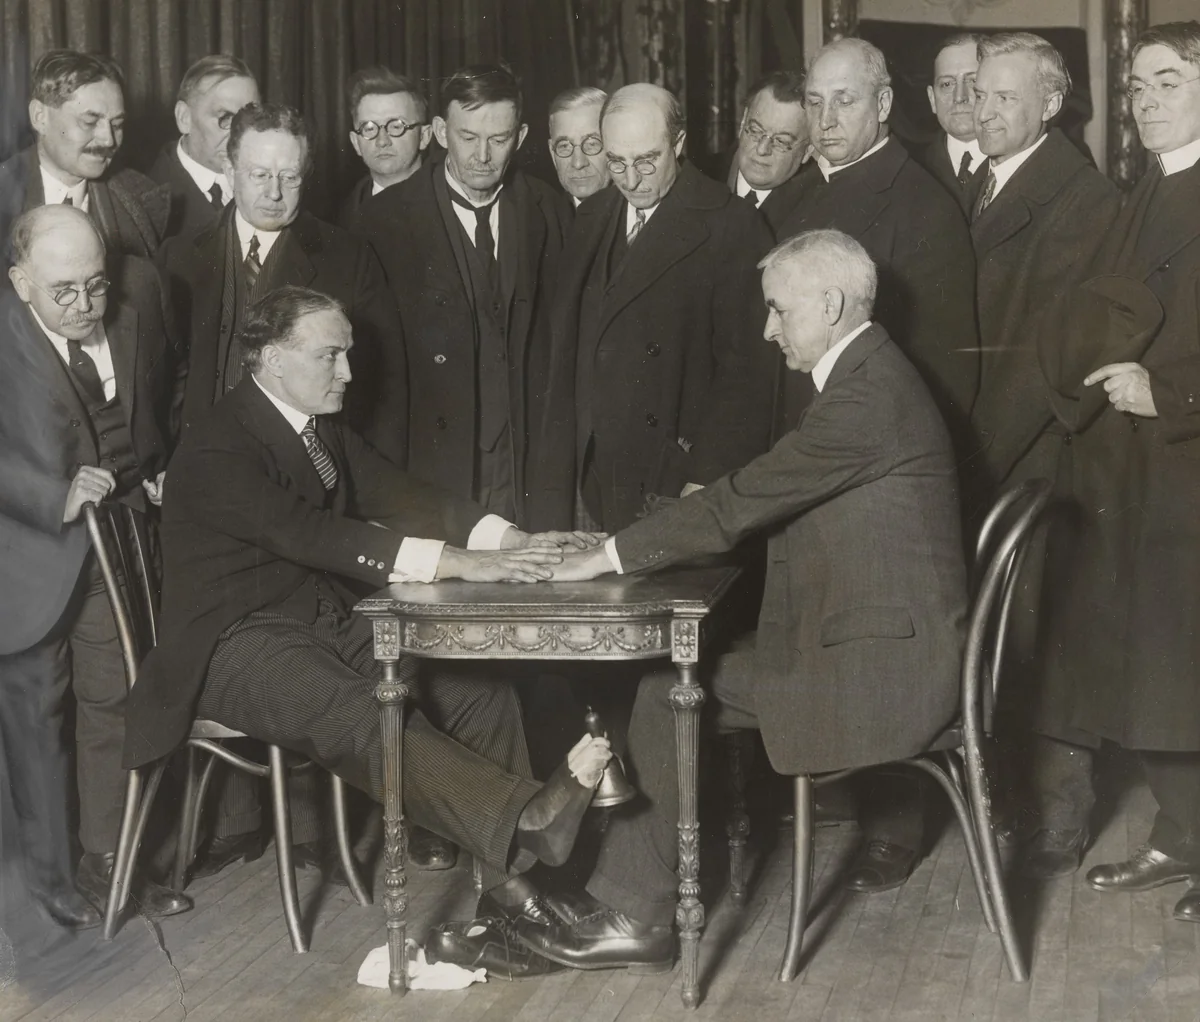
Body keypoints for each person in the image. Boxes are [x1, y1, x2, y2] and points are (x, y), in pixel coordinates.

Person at [121, 285, 613, 966]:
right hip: (228, 647)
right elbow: (309, 533)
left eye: (348, 355)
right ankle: (529, 819)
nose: (349, 373)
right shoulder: (217, 444)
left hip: (314, 628)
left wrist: (514, 542)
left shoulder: (319, 430)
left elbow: (408, 497)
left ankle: (511, 892)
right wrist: (453, 564)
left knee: (480, 694)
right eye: (331, 355)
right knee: (365, 710)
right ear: (270, 359)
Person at [515, 229, 966, 969]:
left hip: (887, 676)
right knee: (676, 675)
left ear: (830, 305)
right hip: (889, 645)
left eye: (778, 311)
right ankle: (633, 889)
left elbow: (741, 501)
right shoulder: (868, 379)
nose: (767, 329)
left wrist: (607, 554)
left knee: (669, 684)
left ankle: (634, 910)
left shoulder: (864, 400)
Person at [1030, 19, 1200, 922]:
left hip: (1188, 458)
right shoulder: (1144, 190)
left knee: (1189, 658)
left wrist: (1168, 393)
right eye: (1136, 88)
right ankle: (1182, 833)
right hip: (1135, 469)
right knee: (1156, 663)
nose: (1145, 104)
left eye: (1166, 82)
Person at [0, 205, 190, 928]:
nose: (84, 306)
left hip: (117, 545)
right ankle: (49, 882)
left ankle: (109, 861)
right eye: (63, 293)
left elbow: (156, 408)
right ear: (23, 284)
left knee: (114, 702)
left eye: (95, 286)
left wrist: (158, 472)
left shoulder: (134, 305)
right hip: (28, 558)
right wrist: (54, 495)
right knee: (38, 718)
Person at [551, 82, 776, 534]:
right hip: (591, 474)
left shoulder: (732, 225)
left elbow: (748, 376)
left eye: (646, 161)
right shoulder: (592, 216)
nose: (631, 180)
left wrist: (704, 479)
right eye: (616, 162)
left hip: (672, 479)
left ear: (678, 142)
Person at [359, 65, 573, 529]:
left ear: (520, 136)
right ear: (438, 132)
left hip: (523, 466)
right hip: (433, 468)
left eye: (499, 138)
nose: (482, 155)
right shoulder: (382, 224)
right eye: (468, 136)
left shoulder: (548, 210)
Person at [161, 102, 405, 462]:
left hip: (302, 475)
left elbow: (383, 392)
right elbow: (160, 383)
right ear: (229, 171)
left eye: (289, 177)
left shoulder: (348, 259)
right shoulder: (178, 256)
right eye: (259, 175)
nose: (274, 193)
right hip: (199, 471)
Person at [777, 38, 980, 460]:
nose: (825, 120)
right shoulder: (793, 195)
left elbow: (944, 374)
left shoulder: (925, 207)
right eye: (814, 102)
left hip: (858, 454)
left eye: (844, 101)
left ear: (884, 104)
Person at [0, 50, 169, 260]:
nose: (108, 140)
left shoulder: (142, 199)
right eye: (89, 122)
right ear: (40, 117)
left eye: (117, 124)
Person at [148, 54, 261, 242]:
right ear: (184, 118)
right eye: (225, 118)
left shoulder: (273, 186)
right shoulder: (145, 200)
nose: (240, 135)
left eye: (251, 119)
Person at [699, 71, 811, 236]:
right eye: (756, 131)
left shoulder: (818, 204)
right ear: (743, 121)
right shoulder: (698, 177)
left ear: (808, 150)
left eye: (781, 141)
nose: (762, 149)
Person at [338, 67, 432, 228]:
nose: (382, 141)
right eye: (369, 128)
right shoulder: (339, 219)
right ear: (356, 142)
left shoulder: (454, 203)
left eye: (396, 126)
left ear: (424, 136)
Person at [918, 34, 987, 215]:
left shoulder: (1018, 165)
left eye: (973, 81)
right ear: (932, 99)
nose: (959, 97)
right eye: (947, 84)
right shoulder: (911, 168)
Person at [547, 87, 610, 206]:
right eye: (564, 146)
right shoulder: (545, 219)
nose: (578, 163)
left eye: (591, 144)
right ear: (552, 153)